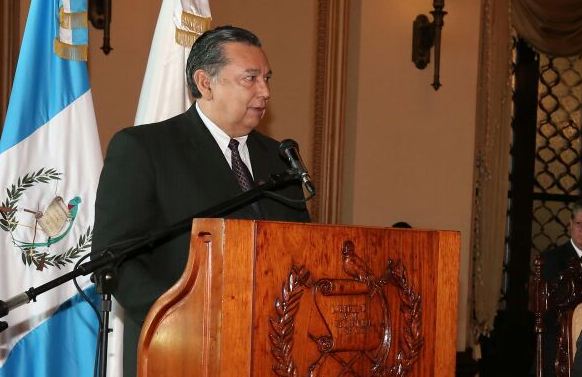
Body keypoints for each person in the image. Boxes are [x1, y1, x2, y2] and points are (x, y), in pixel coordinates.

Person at [91, 25, 310, 377]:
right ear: (205, 83)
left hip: (274, 352)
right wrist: (184, 319)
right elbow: (114, 259)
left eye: (266, 78)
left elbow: (303, 251)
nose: (265, 91)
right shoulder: (146, 149)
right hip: (177, 353)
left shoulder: (280, 158)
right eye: (250, 78)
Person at [540, 200, 582, 377]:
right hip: (559, 345)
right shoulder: (552, 259)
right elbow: (547, 309)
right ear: (570, 224)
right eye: (580, 224)